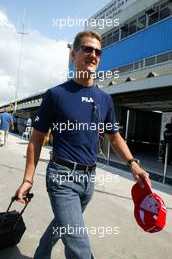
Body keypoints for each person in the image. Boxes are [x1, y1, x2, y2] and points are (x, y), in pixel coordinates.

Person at [15, 31, 150, 259]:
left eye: (97, 51)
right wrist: (28, 179)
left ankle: (41, 254)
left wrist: (133, 164)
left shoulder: (105, 99)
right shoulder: (56, 95)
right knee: (79, 246)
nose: (93, 55)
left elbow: (114, 137)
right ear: (73, 55)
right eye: (87, 49)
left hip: (89, 180)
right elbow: (36, 139)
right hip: (62, 177)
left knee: (63, 225)